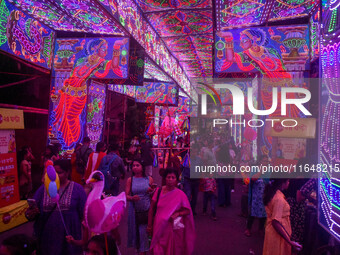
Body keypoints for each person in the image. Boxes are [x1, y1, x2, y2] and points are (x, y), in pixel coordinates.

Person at [53, 38, 128, 148]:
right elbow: (72, 76)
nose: (106, 52)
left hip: (80, 93)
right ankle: (68, 144)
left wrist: (116, 47)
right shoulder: (80, 60)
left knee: (71, 116)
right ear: (94, 48)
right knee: (66, 116)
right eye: (104, 49)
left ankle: (74, 141)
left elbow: (115, 65)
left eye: (107, 49)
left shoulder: (100, 63)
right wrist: (61, 91)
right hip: (69, 91)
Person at [31, 159, 87, 255]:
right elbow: (32, 211)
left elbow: (85, 215)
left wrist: (84, 239)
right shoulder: (43, 189)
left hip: (70, 237)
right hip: (48, 237)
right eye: (54, 172)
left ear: (67, 172)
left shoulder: (77, 189)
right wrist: (31, 212)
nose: (55, 176)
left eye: (59, 173)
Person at [147, 168, 195, 255]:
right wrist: (149, 225)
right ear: (165, 178)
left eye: (173, 178)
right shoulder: (158, 191)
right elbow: (151, 209)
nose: (170, 180)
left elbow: (187, 211)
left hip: (172, 229)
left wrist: (178, 213)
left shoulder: (180, 194)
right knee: (158, 250)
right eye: (168, 177)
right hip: (158, 227)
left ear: (176, 180)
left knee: (171, 250)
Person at [263, 179, 302, 255]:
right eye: (287, 181)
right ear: (282, 183)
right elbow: (275, 222)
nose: (289, 183)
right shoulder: (279, 199)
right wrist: (289, 241)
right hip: (277, 235)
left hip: (273, 232)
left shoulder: (275, 194)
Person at [126, 159, 155, 255]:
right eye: (133, 165)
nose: (134, 167)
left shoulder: (149, 179)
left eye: (137, 165)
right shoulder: (130, 180)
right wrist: (131, 198)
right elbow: (125, 196)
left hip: (146, 211)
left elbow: (153, 196)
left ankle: (142, 251)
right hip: (134, 212)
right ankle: (140, 250)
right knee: (136, 234)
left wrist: (151, 191)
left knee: (144, 234)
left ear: (142, 167)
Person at [245, 155, 270, 237]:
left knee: (263, 214)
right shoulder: (255, 169)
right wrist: (260, 171)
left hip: (264, 196)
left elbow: (269, 182)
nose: (266, 163)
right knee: (252, 213)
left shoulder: (269, 171)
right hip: (255, 196)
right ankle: (248, 229)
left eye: (267, 161)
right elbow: (252, 179)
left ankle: (260, 229)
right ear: (260, 161)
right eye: (264, 161)